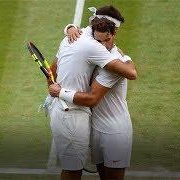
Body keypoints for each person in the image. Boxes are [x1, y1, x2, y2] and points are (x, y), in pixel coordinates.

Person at [46, 6, 136, 180]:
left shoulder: (114, 61)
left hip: (114, 132)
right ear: (94, 27)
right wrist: (70, 28)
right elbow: (53, 71)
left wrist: (59, 91)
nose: (102, 43)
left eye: (108, 36)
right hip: (93, 127)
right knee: (74, 170)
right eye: (100, 36)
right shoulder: (92, 47)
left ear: (113, 33)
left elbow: (94, 97)